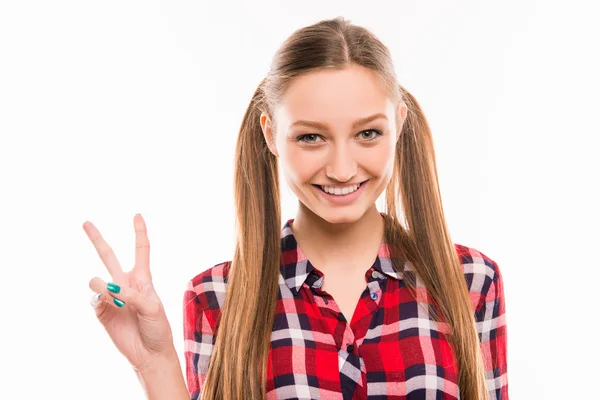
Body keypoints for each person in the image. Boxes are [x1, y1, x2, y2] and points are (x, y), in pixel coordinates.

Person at [84, 16, 508, 400]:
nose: (342, 169)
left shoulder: (470, 281)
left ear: (397, 124)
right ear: (271, 133)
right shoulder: (218, 298)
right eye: (311, 138)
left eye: (368, 133)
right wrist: (154, 363)